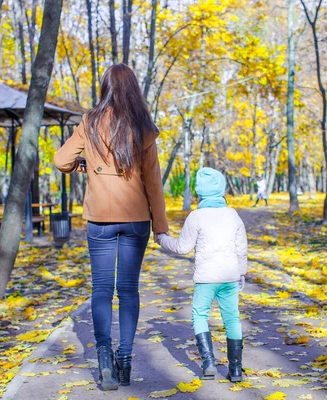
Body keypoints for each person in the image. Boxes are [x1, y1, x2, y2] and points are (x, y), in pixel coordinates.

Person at [54, 64, 169, 391]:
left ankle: (104, 359)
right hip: (136, 221)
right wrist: (160, 226)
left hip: (100, 220)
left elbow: (62, 160)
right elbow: (154, 183)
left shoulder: (89, 122)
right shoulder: (144, 127)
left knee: (102, 290)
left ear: (105, 88)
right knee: (128, 290)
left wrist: (83, 164)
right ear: (133, 88)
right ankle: (126, 359)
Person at [156, 168, 248, 382]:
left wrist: (162, 239)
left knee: (200, 316)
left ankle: (208, 363)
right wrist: (241, 272)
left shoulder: (196, 217)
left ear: (200, 192)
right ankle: (235, 370)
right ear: (221, 188)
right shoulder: (232, 214)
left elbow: (182, 247)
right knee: (232, 318)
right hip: (229, 276)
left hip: (206, 278)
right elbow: (241, 248)